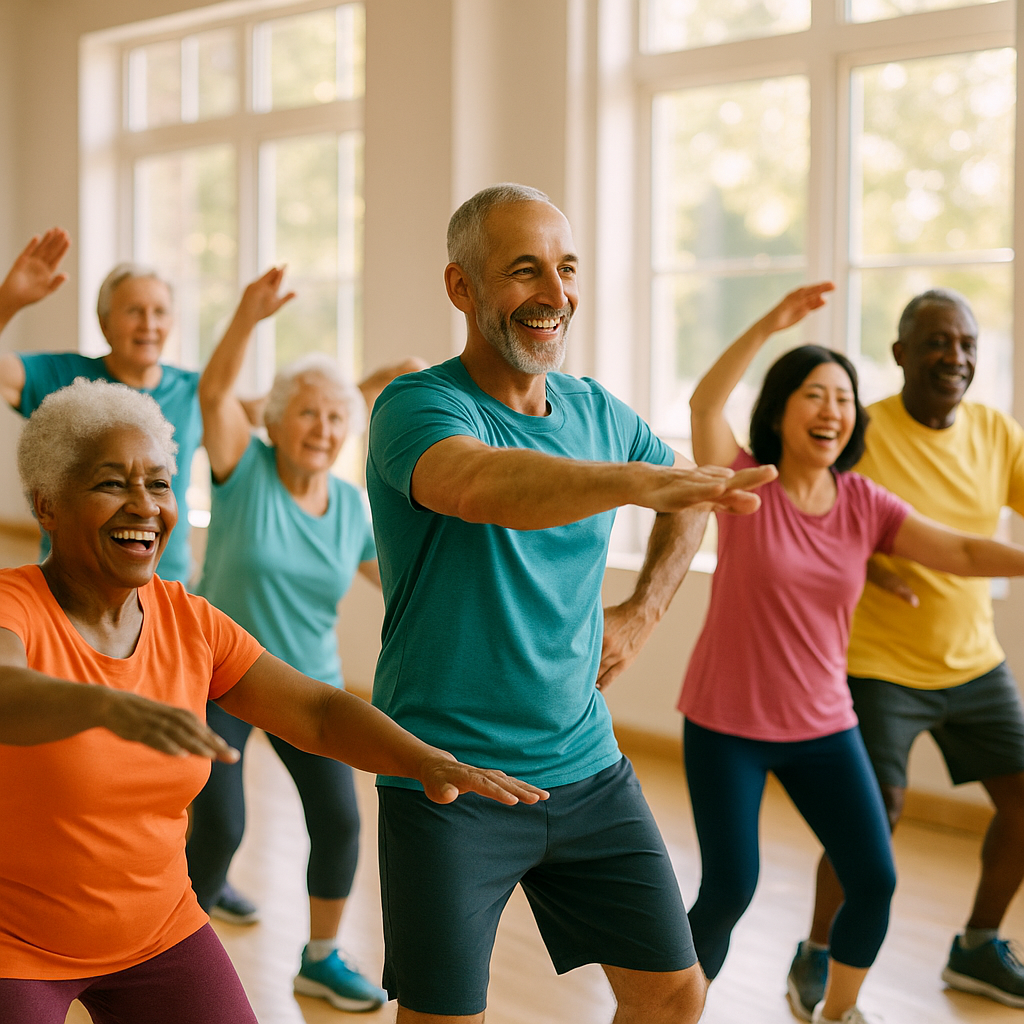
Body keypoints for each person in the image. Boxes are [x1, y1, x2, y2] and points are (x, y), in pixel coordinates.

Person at [0, 377, 545, 1024]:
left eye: (159, 483)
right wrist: (105, 706)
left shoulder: (190, 620)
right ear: (47, 505)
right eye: (112, 483)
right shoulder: (15, 605)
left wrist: (422, 759)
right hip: (18, 944)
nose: (144, 506)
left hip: (158, 931)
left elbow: (313, 712)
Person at [365, 182, 777, 1024]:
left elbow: (690, 498)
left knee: (671, 995)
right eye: (524, 272)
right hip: (451, 780)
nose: (555, 296)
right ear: (462, 288)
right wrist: (641, 480)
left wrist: (644, 610)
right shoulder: (419, 406)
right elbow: (486, 486)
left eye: (566, 269)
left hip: (588, 771)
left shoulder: (596, 409)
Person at [682, 284, 1024, 1024]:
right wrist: (770, 322)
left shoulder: (864, 501)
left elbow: (962, 550)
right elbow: (706, 406)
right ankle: (666, 1010)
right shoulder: (744, 481)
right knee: (730, 889)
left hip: (822, 724)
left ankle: (837, 1011)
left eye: (843, 397)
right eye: (814, 394)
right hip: (727, 725)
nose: (832, 410)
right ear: (780, 409)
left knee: (873, 878)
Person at [186, 267, 419, 1011]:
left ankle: (320, 957)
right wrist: (248, 316)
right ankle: (171, 943)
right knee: (220, 822)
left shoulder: (351, 507)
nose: (322, 429)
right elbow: (215, 396)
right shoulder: (242, 470)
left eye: (334, 419)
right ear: (278, 421)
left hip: (302, 684)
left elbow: (404, 582)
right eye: (308, 415)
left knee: (342, 820)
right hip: (219, 674)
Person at [789, 288, 1024, 1013]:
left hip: (974, 661)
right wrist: (872, 562)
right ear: (898, 354)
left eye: (965, 345)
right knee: (873, 812)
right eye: (935, 343)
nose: (953, 357)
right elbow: (813, 515)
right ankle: (818, 951)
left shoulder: (995, 431)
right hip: (879, 666)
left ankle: (978, 947)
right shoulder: (860, 431)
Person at [0, 231, 200, 583]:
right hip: (72, 587)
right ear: (104, 322)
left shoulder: (194, 391)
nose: (149, 325)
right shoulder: (62, 376)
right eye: (134, 311)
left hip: (162, 588)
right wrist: (9, 300)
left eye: (160, 312)